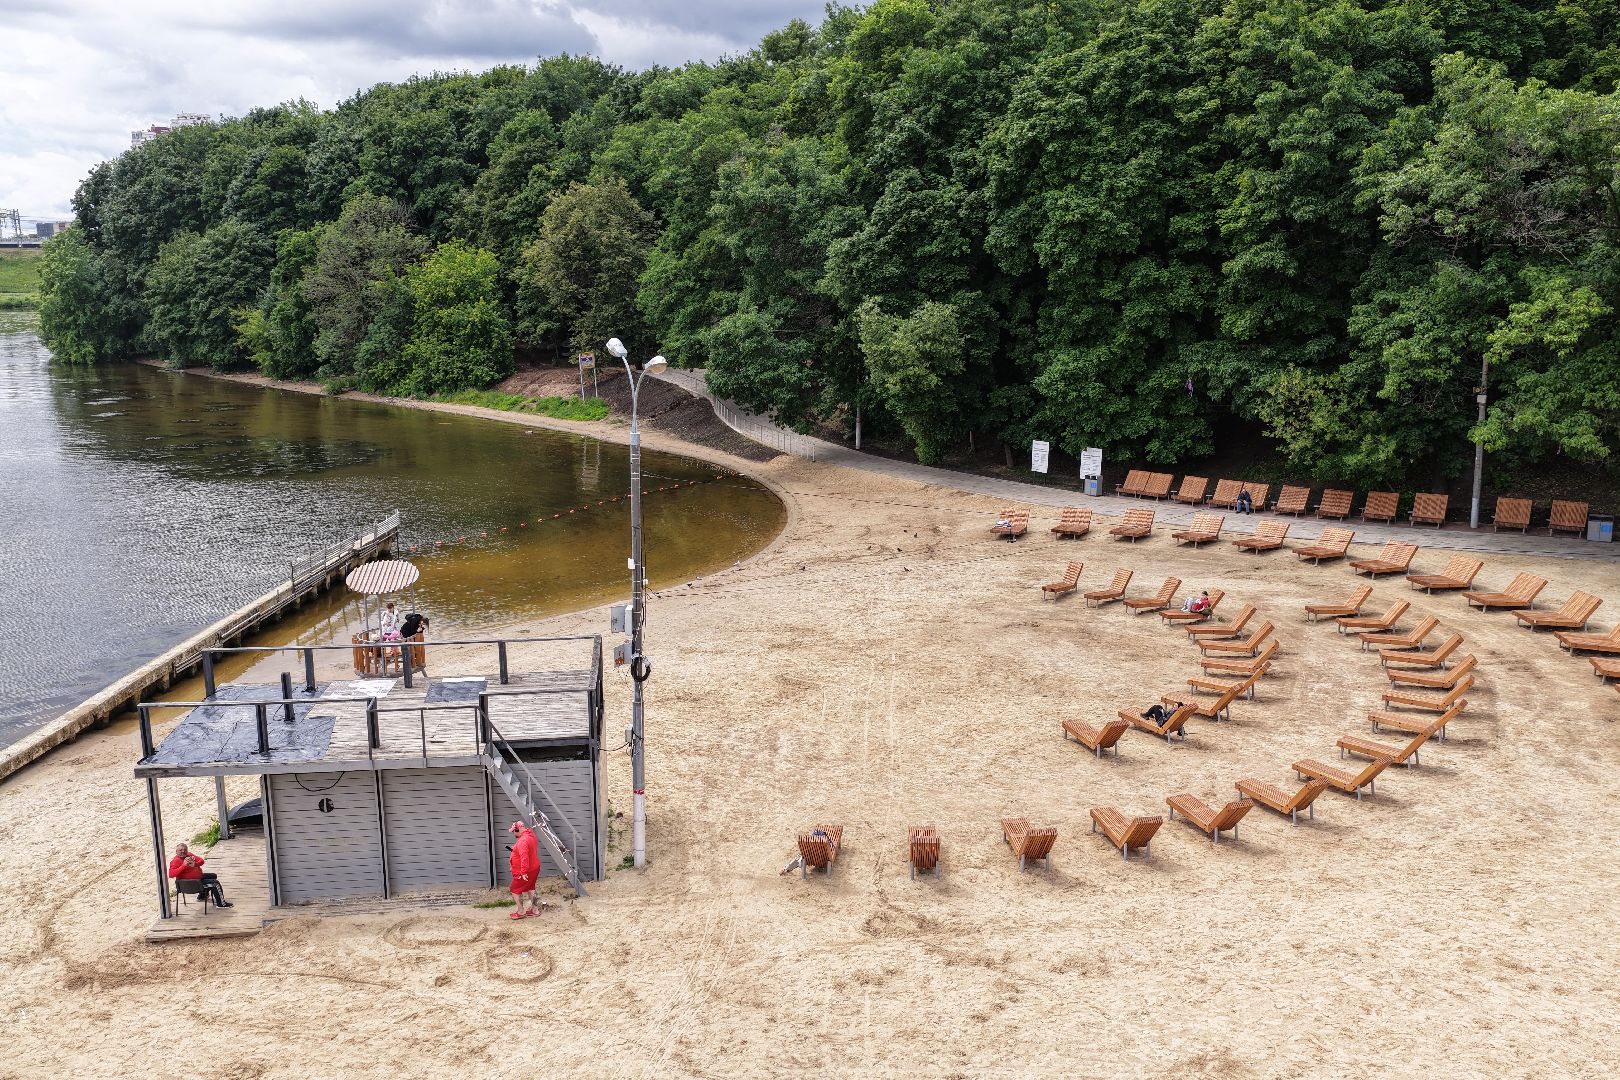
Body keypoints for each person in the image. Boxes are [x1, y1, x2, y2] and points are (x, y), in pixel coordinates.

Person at [168, 842, 233, 908]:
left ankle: (202, 896)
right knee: (215, 883)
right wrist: (183, 865)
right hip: (191, 884)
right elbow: (171, 875)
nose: (183, 851)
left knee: (213, 876)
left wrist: (195, 864)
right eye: (181, 850)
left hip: (198, 878)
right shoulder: (175, 861)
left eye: (185, 849)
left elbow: (201, 861)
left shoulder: (189, 855)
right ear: (176, 851)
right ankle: (221, 904)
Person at [507, 820, 541, 919]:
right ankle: (535, 910)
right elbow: (527, 850)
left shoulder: (522, 841)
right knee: (531, 888)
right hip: (534, 867)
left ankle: (521, 911)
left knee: (514, 889)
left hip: (525, 870)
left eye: (514, 831)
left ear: (518, 829)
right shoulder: (531, 835)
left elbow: (524, 857)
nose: (513, 833)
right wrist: (516, 849)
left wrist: (524, 872)